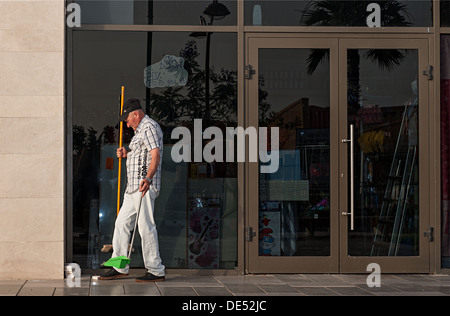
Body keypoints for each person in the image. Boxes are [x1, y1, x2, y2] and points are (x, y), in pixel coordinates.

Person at [100, 98, 165, 282]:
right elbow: (141, 155)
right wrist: (126, 154)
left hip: (143, 186)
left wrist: (148, 178)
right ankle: (120, 267)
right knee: (121, 224)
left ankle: (156, 270)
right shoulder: (139, 132)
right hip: (132, 187)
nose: (127, 125)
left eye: (128, 120)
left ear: (136, 114)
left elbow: (155, 155)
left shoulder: (149, 127)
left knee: (145, 227)